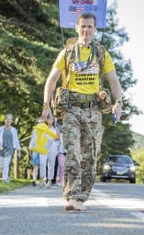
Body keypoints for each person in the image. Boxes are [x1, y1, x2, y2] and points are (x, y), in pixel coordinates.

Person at [41, 13, 123, 211]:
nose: (86, 30)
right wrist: (46, 106)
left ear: (95, 29)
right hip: (71, 110)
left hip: (93, 110)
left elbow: (113, 81)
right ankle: (71, 196)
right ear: (77, 29)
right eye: (83, 26)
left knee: (90, 156)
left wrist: (118, 102)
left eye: (89, 27)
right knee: (73, 152)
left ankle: (82, 197)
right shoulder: (67, 53)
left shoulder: (102, 54)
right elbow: (52, 80)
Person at [0, 114, 21, 183]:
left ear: (11, 121)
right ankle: (7, 176)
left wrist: (18, 149)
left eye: (10, 119)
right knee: (2, 165)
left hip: (10, 149)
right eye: (7, 119)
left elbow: (16, 140)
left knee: (6, 164)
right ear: (4, 120)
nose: (8, 121)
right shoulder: (0, 129)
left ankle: (4, 179)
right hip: (1, 149)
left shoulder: (14, 130)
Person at [55, 122, 66, 186]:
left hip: (68, 152)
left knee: (66, 167)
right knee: (61, 166)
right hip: (61, 152)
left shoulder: (70, 135)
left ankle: (65, 180)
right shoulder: (60, 135)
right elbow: (57, 143)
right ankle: (60, 180)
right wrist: (57, 151)